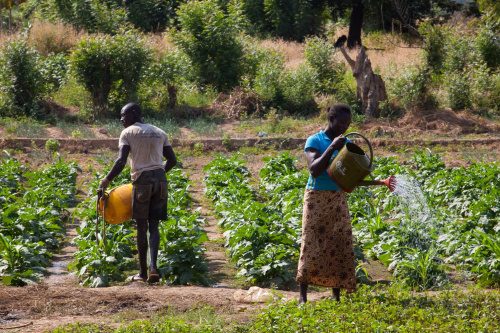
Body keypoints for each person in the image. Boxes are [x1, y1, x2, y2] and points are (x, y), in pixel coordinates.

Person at [97, 102, 177, 283]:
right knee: (154, 226)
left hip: (142, 181)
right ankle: (153, 268)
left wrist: (105, 182)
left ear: (134, 114)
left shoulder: (128, 133)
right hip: (161, 181)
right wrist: (159, 173)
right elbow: (172, 160)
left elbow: (120, 162)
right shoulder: (159, 132)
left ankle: (142, 274)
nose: (121, 120)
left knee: (142, 227)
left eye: (124, 115)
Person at [296, 103, 356, 304]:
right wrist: (332, 147)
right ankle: (303, 296)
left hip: (337, 197)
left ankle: (336, 295)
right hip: (316, 198)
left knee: (338, 243)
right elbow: (314, 169)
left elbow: (349, 174)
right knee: (310, 243)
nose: (344, 127)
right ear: (331, 119)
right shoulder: (316, 140)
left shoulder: (345, 142)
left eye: (347, 123)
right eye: (341, 122)